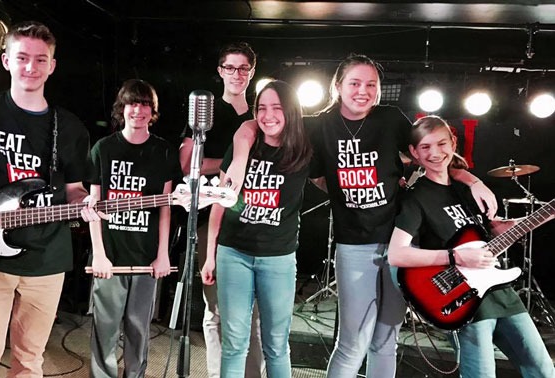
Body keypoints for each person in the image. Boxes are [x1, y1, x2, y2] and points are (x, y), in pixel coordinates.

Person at [226, 54, 497, 378]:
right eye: (354, 83)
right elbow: (256, 124)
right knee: (352, 344)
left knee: (386, 341)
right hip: (354, 246)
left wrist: (472, 179)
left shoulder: (391, 118)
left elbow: (431, 152)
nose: (362, 91)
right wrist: (241, 154)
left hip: (400, 243)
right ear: (338, 86)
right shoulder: (320, 125)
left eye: (371, 84)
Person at [0, 21, 100, 378]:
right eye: (22, 57)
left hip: (48, 259)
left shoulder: (71, 127)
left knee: (30, 361)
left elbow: (75, 188)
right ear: (6, 61)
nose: (31, 67)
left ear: (52, 65)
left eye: (40, 59)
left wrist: (85, 204)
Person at [388, 115, 555, 378]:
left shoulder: (467, 188)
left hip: (501, 291)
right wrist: (456, 256)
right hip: (464, 297)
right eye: (425, 147)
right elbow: (397, 253)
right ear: (414, 152)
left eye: (441, 144)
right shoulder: (415, 198)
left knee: (543, 369)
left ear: (453, 142)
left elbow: (495, 230)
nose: (435, 153)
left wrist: (545, 214)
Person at [201, 80, 312, 378]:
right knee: (234, 343)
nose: (268, 115)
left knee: (276, 344)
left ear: (291, 111)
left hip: (278, 258)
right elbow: (220, 204)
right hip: (233, 253)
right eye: (262, 108)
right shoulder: (247, 139)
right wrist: (210, 255)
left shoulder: (304, 147)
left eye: (277, 108)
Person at [179, 42, 264, 378]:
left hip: (254, 220)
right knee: (215, 310)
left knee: (253, 314)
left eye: (244, 68)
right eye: (230, 67)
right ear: (220, 71)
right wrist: (234, 165)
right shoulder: (204, 116)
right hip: (209, 222)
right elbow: (187, 166)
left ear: (252, 72)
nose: (237, 74)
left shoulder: (261, 118)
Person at [88, 79, 179, 377]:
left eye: (144, 104)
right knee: (105, 329)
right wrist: (99, 255)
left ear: (152, 110)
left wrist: (162, 254)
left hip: (146, 257)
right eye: (131, 103)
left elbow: (165, 207)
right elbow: (93, 207)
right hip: (110, 256)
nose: (137, 110)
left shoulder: (164, 151)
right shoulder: (103, 148)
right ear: (121, 108)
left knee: (139, 328)